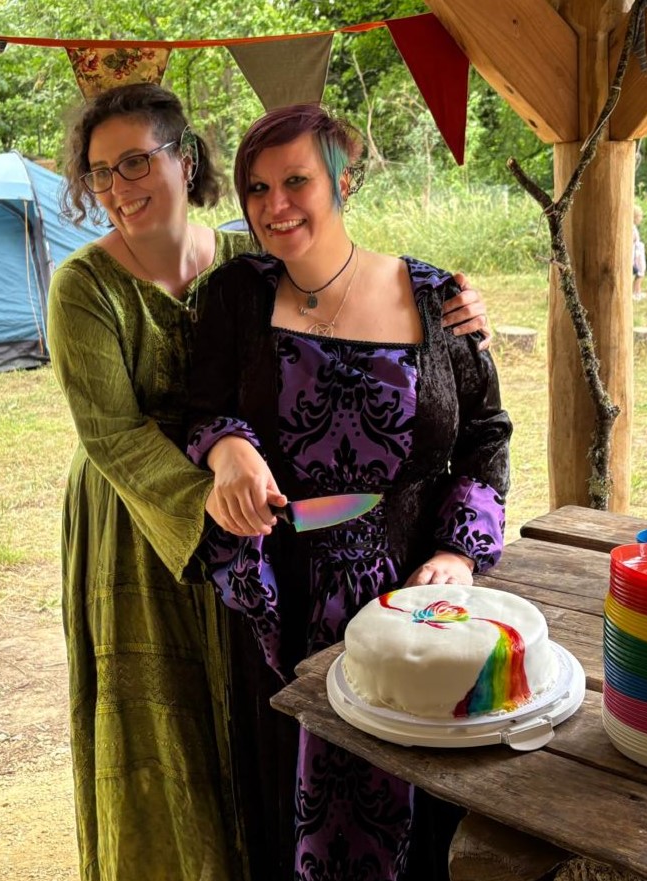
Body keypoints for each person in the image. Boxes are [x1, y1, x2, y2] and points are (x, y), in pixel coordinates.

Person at [46, 82, 495, 881]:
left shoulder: (241, 266)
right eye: (101, 171)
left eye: (138, 160)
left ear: (184, 160)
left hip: (261, 535)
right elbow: (115, 432)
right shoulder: (83, 287)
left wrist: (454, 313)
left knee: (246, 720)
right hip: (143, 519)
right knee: (164, 719)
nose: (120, 185)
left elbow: (353, 302)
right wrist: (222, 474)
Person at [186, 104, 513, 881]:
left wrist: (455, 553)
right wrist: (227, 445)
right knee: (287, 795)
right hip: (282, 602)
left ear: (345, 180)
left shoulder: (437, 299)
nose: (274, 205)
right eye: (256, 187)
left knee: (423, 797)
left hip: (415, 599)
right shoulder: (235, 294)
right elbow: (194, 405)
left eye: (296, 181)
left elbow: (485, 435)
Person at [633, 204, 647, 300]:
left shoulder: (633, 227)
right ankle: (636, 292)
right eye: (640, 216)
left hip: (636, 254)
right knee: (640, 273)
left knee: (639, 274)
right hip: (635, 256)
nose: (641, 218)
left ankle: (637, 291)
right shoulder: (632, 229)